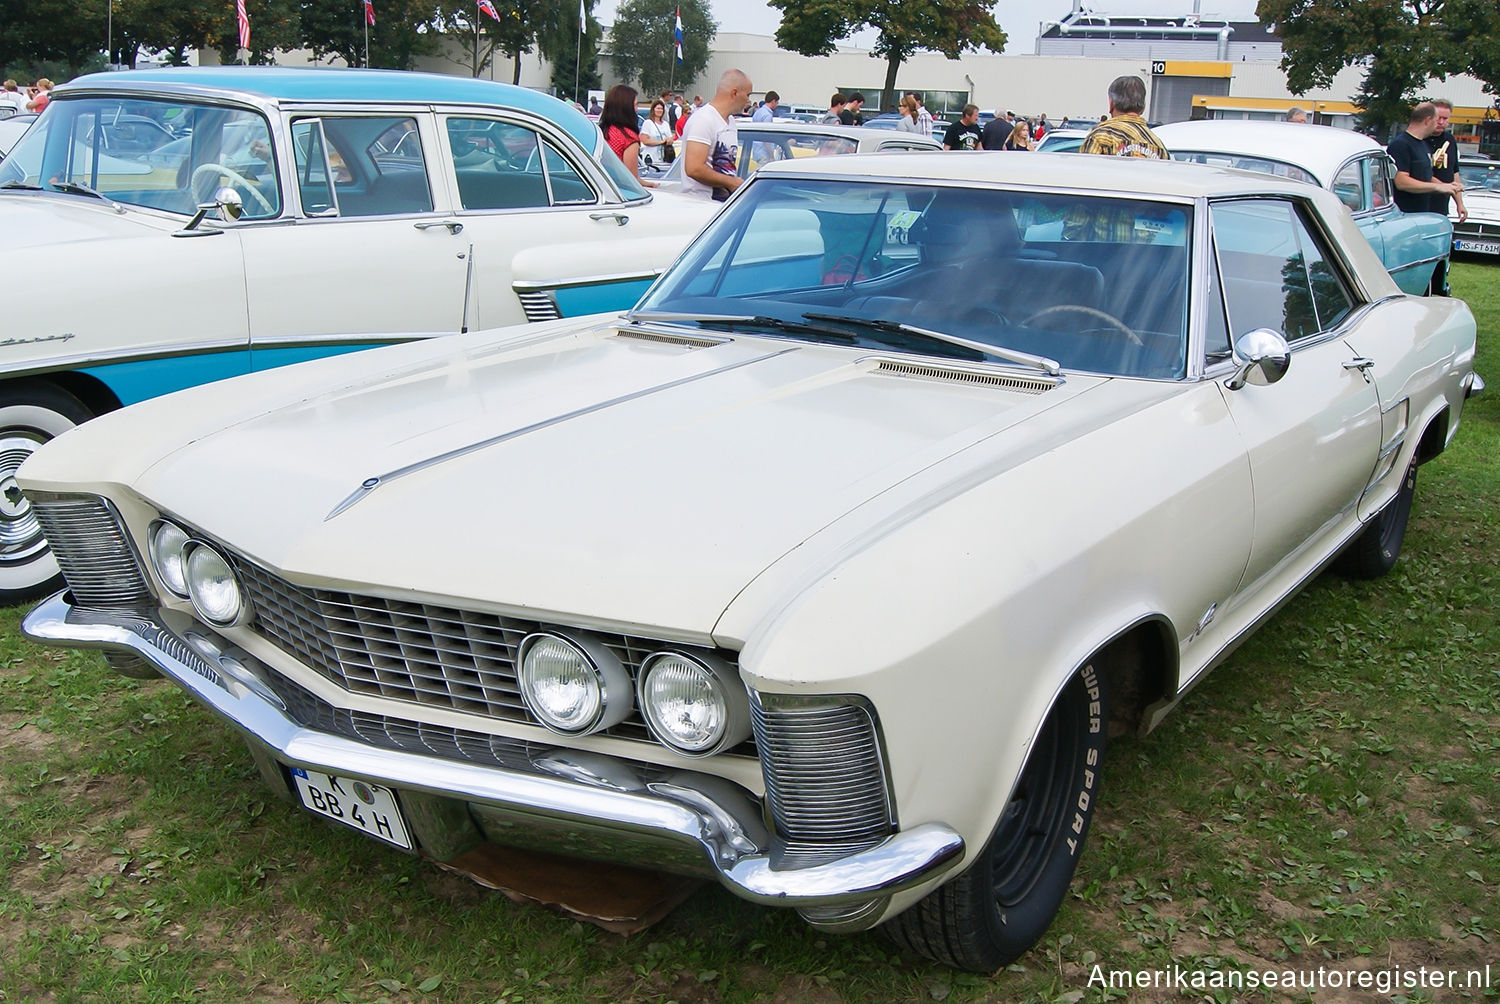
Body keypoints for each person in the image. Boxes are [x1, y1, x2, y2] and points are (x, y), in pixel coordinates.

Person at [682, 68, 752, 202]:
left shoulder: (730, 121)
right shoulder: (703, 120)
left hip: (722, 205)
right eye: (748, 95)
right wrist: (731, 182)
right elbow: (694, 168)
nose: (748, 101)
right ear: (734, 93)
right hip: (701, 205)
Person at [1389, 102, 1457, 218]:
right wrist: (1437, 187)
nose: (1438, 124)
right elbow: (1401, 181)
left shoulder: (1422, 144)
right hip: (1404, 215)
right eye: (1436, 120)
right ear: (1428, 120)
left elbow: (1425, 176)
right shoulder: (1400, 144)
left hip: (1421, 214)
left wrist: (1448, 186)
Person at [1425, 98, 1465, 295]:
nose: (1442, 122)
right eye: (1439, 118)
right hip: (1423, 204)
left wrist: (1459, 202)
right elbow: (1421, 174)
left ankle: (1439, 284)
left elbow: (1454, 173)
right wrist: (1444, 187)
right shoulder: (1420, 140)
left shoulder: (1449, 140)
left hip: (1442, 206)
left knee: (1442, 249)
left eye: (1446, 119)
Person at [1077, 76, 1168, 159]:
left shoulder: (1100, 137)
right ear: (1143, 107)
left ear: (1111, 104)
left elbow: (1085, 173)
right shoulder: (1158, 146)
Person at [598, 84, 647, 182]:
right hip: (617, 191)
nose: (637, 109)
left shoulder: (599, 132)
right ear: (626, 108)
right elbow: (631, 180)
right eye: (635, 105)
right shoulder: (629, 138)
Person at [640, 98, 675, 167]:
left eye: (661, 109)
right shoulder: (648, 123)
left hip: (664, 159)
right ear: (653, 109)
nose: (660, 110)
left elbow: (670, 138)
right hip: (652, 159)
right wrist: (661, 142)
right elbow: (645, 141)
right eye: (658, 108)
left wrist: (670, 140)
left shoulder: (665, 124)